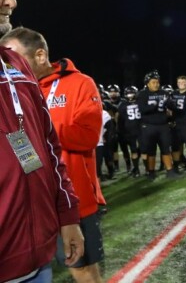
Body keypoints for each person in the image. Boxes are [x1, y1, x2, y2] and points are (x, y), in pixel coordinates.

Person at [0, 0, 85, 282]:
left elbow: (44, 147)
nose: (11, 2)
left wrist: (66, 215)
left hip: (37, 260)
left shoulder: (16, 64)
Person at [1, 26, 107, 282]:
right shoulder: (18, 88)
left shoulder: (81, 83)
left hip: (75, 198)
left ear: (39, 56)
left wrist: (42, 131)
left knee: (84, 270)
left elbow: (87, 135)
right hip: (37, 206)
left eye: (13, 56)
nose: (9, 65)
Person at [137, 70, 179, 179]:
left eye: (157, 82)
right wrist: (155, 105)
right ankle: (151, 172)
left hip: (163, 125)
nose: (156, 84)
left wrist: (170, 103)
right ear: (147, 83)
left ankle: (170, 171)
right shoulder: (142, 94)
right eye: (153, 82)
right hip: (149, 126)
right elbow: (142, 109)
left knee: (166, 149)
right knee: (151, 151)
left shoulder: (164, 93)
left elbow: (172, 107)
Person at [117, 85, 142, 177]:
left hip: (141, 129)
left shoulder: (140, 102)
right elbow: (120, 120)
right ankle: (136, 169)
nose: (130, 95)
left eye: (132, 93)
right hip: (130, 131)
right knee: (134, 150)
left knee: (143, 149)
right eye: (128, 94)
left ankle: (138, 169)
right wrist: (121, 131)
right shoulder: (123, 105)